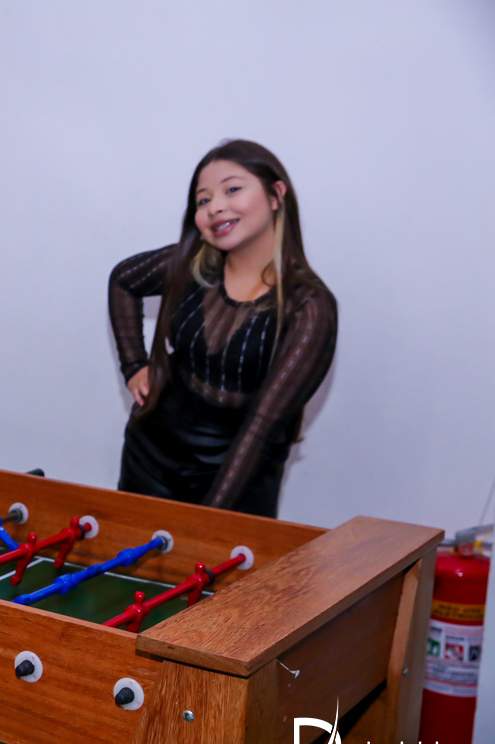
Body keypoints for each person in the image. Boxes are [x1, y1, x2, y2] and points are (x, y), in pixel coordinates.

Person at [108, 140, 337, 517]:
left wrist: (207, 522)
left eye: (232, 189)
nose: (214, 207)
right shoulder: (190, 264)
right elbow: (123, 279)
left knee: (214, 559)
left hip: (240, 475)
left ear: (276, 195)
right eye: (203, 200)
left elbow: (262, 429)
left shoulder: (310, 307)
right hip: (150, 457)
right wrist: (134, 365)